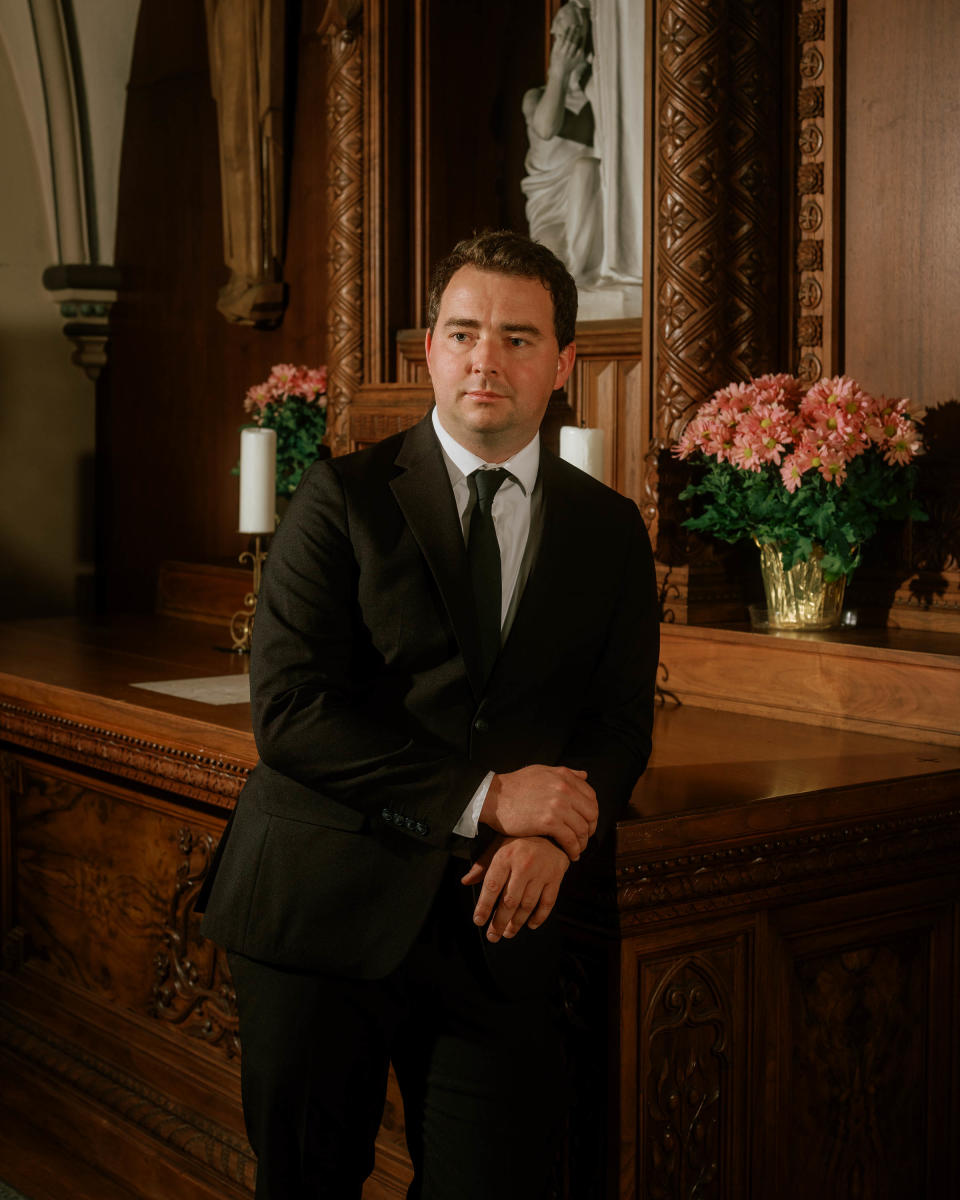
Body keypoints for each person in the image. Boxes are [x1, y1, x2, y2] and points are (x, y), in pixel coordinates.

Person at [199, 230, 659, 1199]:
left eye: (519, 338)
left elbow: (617, 725)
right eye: (464, 332)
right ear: (432, 353)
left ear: (565, 362)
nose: (487, 357)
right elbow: (290, 715)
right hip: (323, 909)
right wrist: (491, 801)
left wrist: (562, 838)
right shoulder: (340, 497)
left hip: (497, 924)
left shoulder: (611, 532)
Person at [521, 1, 603, 283]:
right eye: (563, 39)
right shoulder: (537, 97)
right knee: (551, 263)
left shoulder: (596, 94)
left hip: (587, 198)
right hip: (550, 203)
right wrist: (559, 73)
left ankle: (582, 281)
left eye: (575, 40)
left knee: (586, 167)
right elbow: (545, 127)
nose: (569, 48)